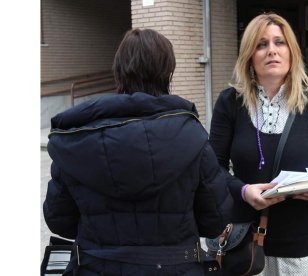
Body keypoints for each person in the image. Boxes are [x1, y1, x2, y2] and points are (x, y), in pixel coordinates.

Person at [44, 27, 254, 275]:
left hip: (95, 268)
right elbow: (215, 221)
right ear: (168, 73)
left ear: (118, 72)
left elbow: (59, 221)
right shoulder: (192, 137)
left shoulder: (75, 140)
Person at [209, 13, 308, 275]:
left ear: (291, 51)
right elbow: (213, 168)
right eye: (261, 44)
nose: (271, 50)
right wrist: (243, 190)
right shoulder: (230, 103)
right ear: (249, 55)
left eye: (279, 42)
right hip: (243, 244)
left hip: (303, 244)